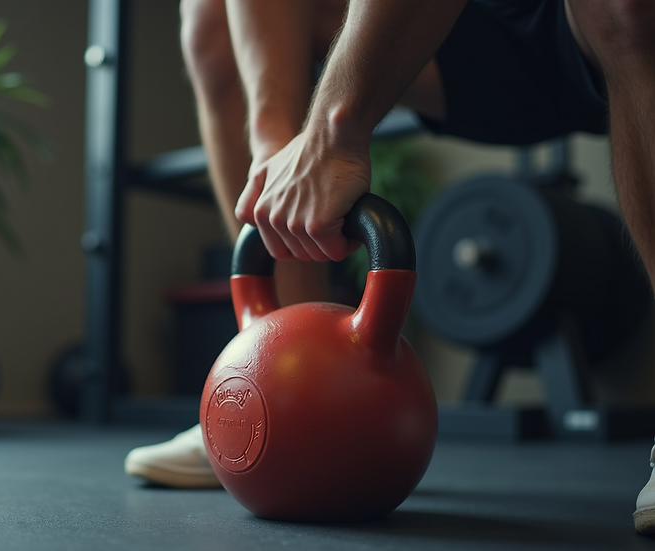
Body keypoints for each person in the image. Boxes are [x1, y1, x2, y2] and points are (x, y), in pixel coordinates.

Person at [123, 0, 655, 533]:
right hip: (465, 40)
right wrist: (273, 152)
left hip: (576, 21)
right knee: (210, 17)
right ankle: (278, 400)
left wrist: (335, 129)